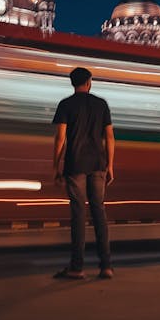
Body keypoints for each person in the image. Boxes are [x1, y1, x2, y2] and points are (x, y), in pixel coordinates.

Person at [52, 66, 115, 280]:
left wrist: (56, 165)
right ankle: (106, 266)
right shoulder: (101, 104)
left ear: (72, 83)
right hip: (98, 163)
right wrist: (111, 165)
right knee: (99, 213)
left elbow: (60, 139)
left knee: (78, 215)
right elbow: (110, 137)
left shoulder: (65, 105)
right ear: (89, 82)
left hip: (75, 164)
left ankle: (77, 267)